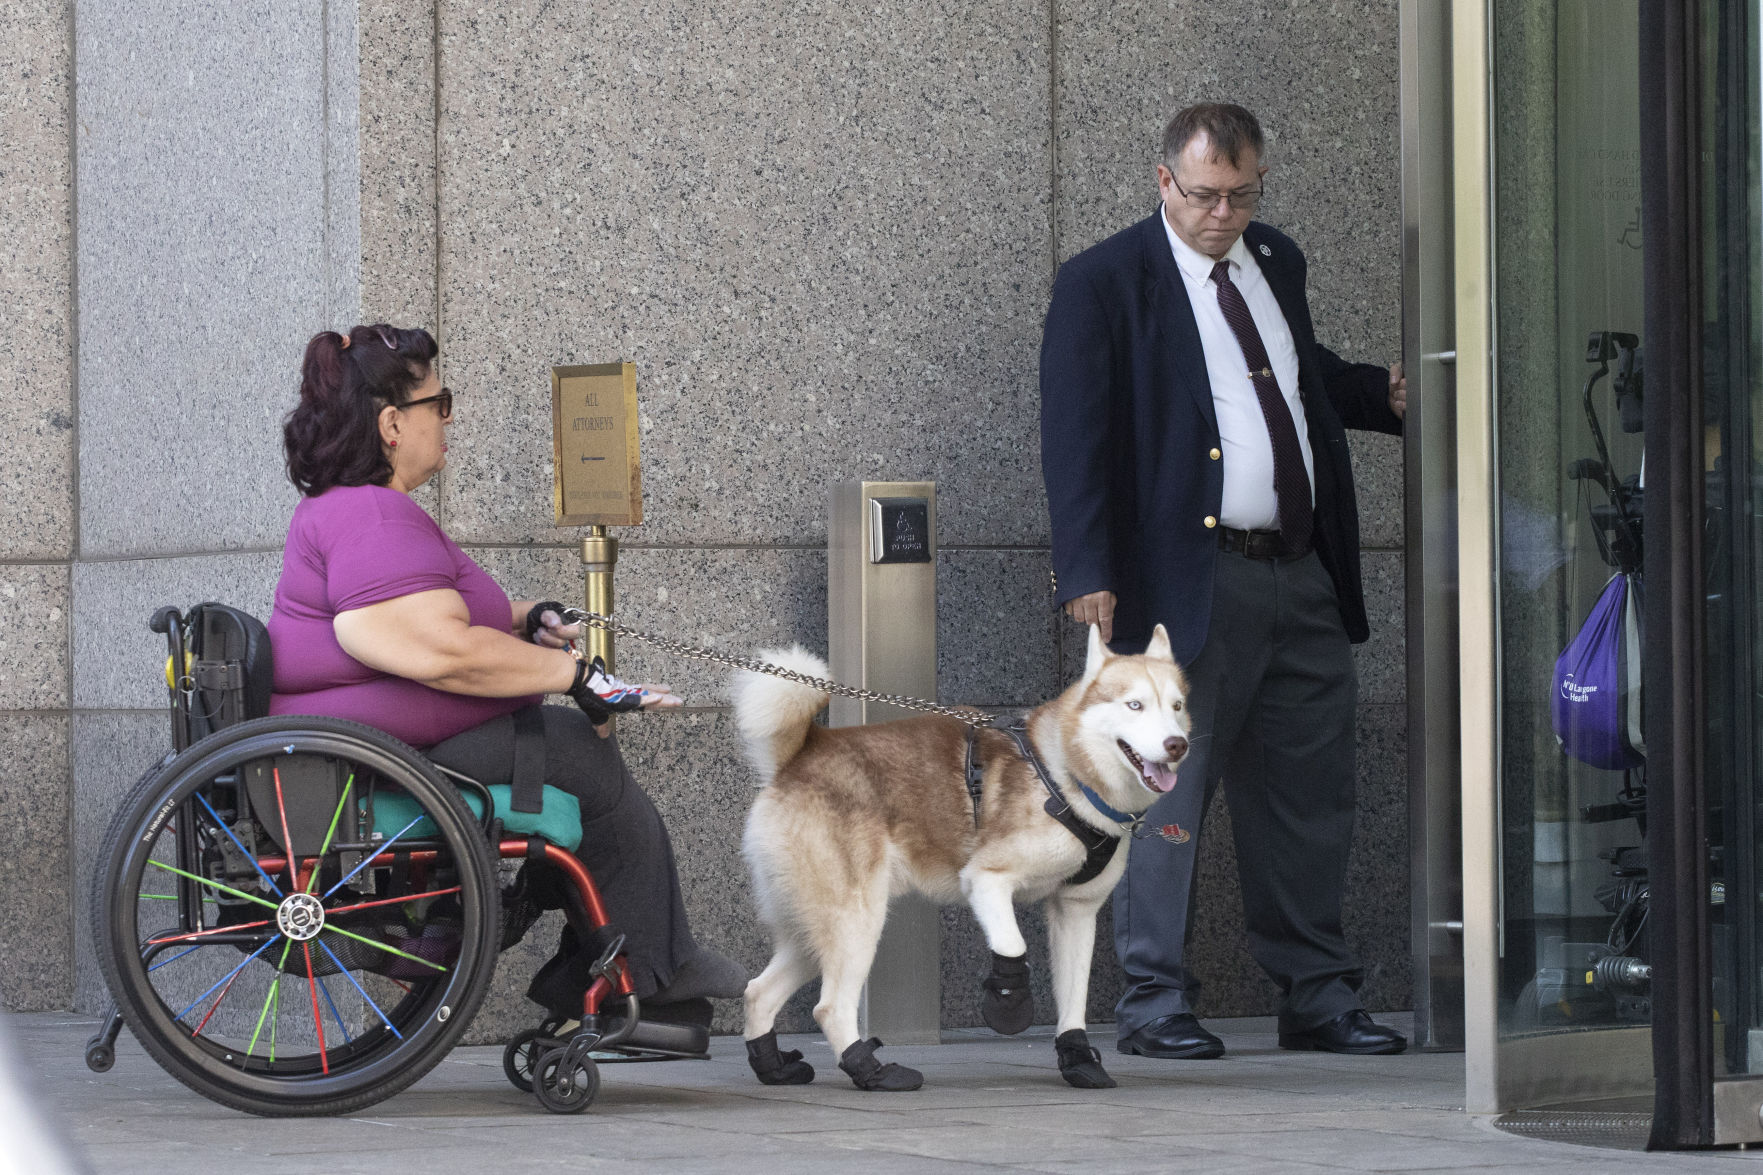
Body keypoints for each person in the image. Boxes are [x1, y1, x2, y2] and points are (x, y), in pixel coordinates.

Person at [1039, 104, 1409, 1058]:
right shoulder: (1103, 281)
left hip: (1302, 570)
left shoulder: (1273, 259)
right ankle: (1154, 999)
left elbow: (1292, 376)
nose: (1222, 214)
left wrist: (1379, 394)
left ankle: (1316, 993)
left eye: (1241, 194)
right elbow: (1074, 435)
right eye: (1204, 194)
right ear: (1163, 180)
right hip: (1184, 584)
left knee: (1306, 795)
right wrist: (1087, 573)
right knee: (1163, 792)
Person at [268, 322, 746, 1023]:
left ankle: (598, 959)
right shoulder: (372, 516)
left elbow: (427, 617)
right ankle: (645, 971)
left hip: (383, 746)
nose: (450, 417)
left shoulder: (355, 512)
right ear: (393, 422)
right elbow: (439, 649)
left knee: (572, 754)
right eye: (441, 402)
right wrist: (570, 673)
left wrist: (526, 619)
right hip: (382, 760)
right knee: (582, 754)